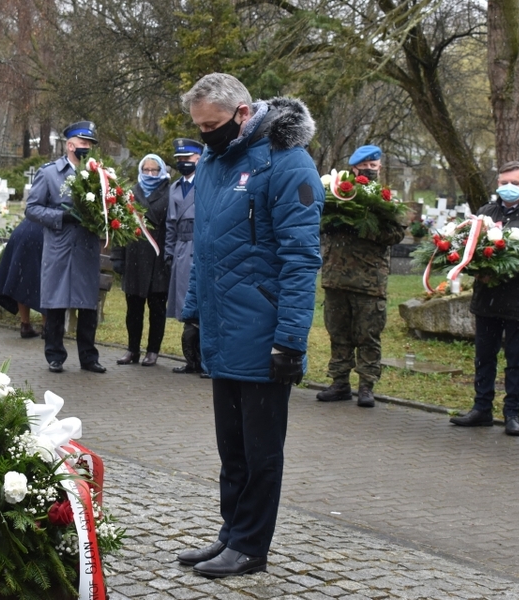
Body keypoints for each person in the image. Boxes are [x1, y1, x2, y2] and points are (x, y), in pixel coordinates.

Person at [174, 73, 323, 579]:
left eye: (212, 125)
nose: (205, 136)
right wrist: (192, 315)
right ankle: (230, 534)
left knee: (261, 453)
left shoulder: (288, 164)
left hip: (263, 333)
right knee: (231, 449)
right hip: (222, 326)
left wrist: (289, 342)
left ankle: (251, 546)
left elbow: (301, 260)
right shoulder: (217, 162)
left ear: (242, 113)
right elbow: (205, 251)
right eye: (198, 127)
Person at [450, 161, 519, 435]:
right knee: (484, 357)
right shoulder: (485, 213)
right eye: (504, 183)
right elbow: (468, 251)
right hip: (487, 301)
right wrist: (475, 267)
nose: (508, 188)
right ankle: (482, 408)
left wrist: (496, 270)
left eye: (515, 183)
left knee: (517, 361)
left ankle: (512, 413)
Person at [317, 145, 405, 408]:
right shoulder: (336, 193)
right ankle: (339, 382)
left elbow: (396, 234)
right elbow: (317, 221)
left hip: (369, 282)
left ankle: (366, 386)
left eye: (373, 166)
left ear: (379, 167)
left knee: (368, 336)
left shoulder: (386, 199)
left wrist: (364, 229)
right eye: (363, 166)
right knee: (338, 333)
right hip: (336, 278)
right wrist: (332, 223)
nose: (368, 170)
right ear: (353, 168)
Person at [25, 121, 107, 374]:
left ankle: (89, 357)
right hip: (59, 246)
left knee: (87, 304)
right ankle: (55, 355)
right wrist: (61, 217)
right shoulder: (49, 173)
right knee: (56, 302)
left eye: (91, 145)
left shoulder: (99, 173)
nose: (88, 148)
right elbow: (32, 208)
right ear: (70, 145)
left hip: (86, 246)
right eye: (83, 143)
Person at [110, 154, 172, 367]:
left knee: (157, 309)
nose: (150, 174)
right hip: (134, 259)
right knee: (133, 310)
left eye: (154, 170)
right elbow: (119, 226)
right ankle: (132, 349)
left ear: (162, 170)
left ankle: (153, 351)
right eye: (146, 170)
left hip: (158, 259)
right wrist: (117, 257)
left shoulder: (170, 192)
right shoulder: (130, 193)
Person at [165, 138, 204, 374]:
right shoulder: (175, 187)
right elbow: (171, 223)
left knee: (203, 306)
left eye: (187, 159)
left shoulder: (207, 183)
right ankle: (191, 359)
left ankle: (206, 361)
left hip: (200, 247)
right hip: (180, 249)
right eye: (179, 159)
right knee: (185, 306)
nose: (182, 163)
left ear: (199, 158)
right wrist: (169, 252)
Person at [0, 217, 47, 338]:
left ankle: (25, 325)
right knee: (45, 278)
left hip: (22, 231)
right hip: (41, 232)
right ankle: (47, 327)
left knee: (22, 277)